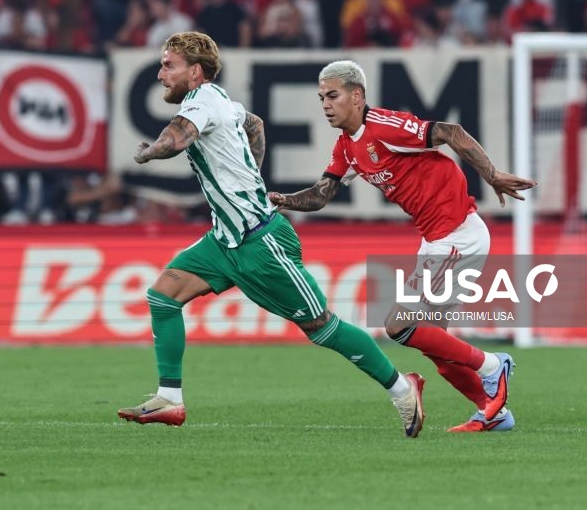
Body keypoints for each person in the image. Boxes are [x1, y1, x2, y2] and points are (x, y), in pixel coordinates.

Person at [117, 32, 426, 438]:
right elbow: (254, 125)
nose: (160, 75)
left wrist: (151, 151)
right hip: (224, 241)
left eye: (168, 65)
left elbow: (178, 136)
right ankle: (169, 398)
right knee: (162, 296)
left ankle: (403, 389)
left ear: (194, 71)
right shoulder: (224, 103)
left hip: (261, 244)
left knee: (323, 327)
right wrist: (252, 177)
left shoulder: (202, 101)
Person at [268, 59, 537, 432]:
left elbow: (450, 131)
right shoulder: (346, 147)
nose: (325, 104)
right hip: (436, 238)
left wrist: (491, 175)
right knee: (434, 342)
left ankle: (493, 366)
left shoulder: (385, 126)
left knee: (398, 324)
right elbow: (321, 194)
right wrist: (281, 200)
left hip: (456, 235)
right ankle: (494, 412)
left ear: (357, 95)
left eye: (333, 95)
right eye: (321, 98)